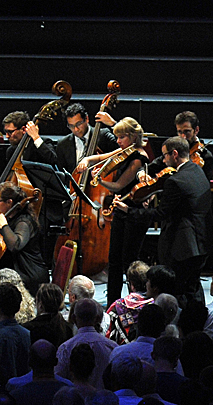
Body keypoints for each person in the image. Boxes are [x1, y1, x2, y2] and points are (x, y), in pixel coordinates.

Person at [114, 136, 212, 306]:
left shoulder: (175, 181)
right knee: (193, 288)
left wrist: (128, 210)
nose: (164, 161)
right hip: (203, 241)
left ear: (175, 154)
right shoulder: (197, 171)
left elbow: (160, 214)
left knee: (177, 293)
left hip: (183, 247)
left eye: (165, 156)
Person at [80, 117, 149, 307]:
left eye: (121, 137)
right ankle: (113, 303)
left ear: (133, 136)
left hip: (133, 212)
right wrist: (87, 159)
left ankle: (133, 302)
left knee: (128, 261)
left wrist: (100, 181)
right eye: (117, 137)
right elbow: (103, 157)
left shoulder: (138, 157)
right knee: (114, 260)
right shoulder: (126, 151)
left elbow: (119, 185)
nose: (118, 141)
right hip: (120, 210)